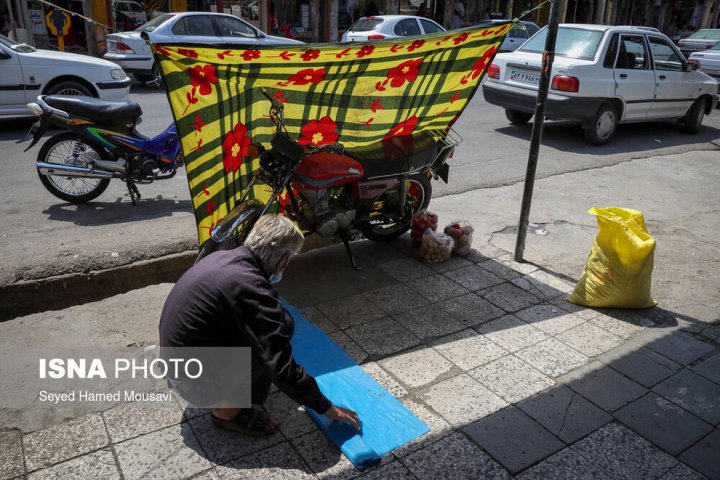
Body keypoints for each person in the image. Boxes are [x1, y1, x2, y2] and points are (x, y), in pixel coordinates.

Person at [159, 214, 360, 435]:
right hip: (193, 384)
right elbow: (281, 365)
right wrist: (327, 408)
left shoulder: (226, 257)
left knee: (282, 322)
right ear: (283, 259)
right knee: (265, 349)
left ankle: (233, 391)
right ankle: (226, 413)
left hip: (179, 367)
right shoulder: (250, 287)